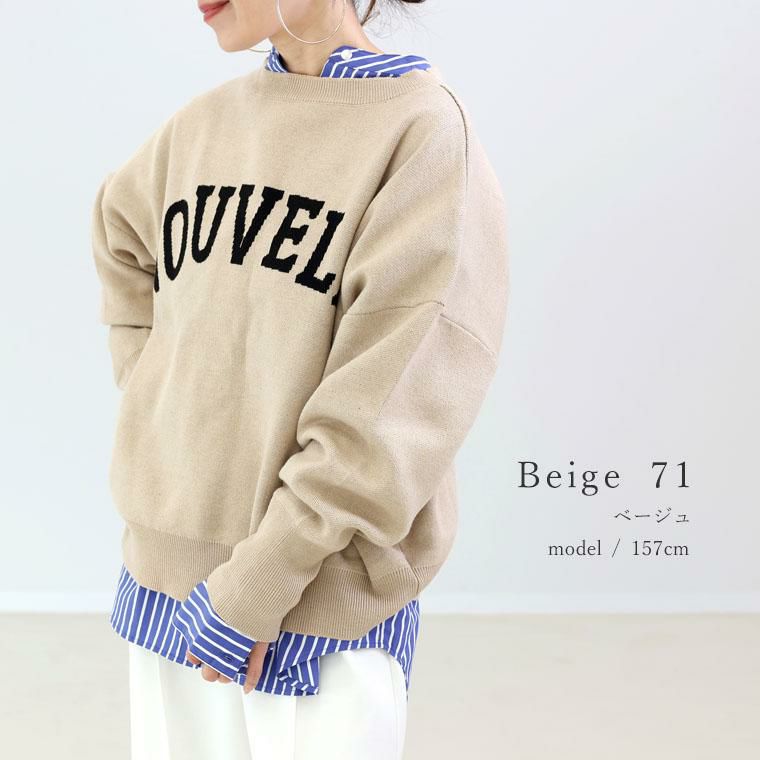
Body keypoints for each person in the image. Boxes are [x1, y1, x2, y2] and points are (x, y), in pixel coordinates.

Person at [91, 0, 509, 758]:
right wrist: (157, 396)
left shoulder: (418, 133)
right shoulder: (205, 124)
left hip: (314, 611)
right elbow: (119, 235)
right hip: (162, 585)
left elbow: (390, 412)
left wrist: (260, 583)